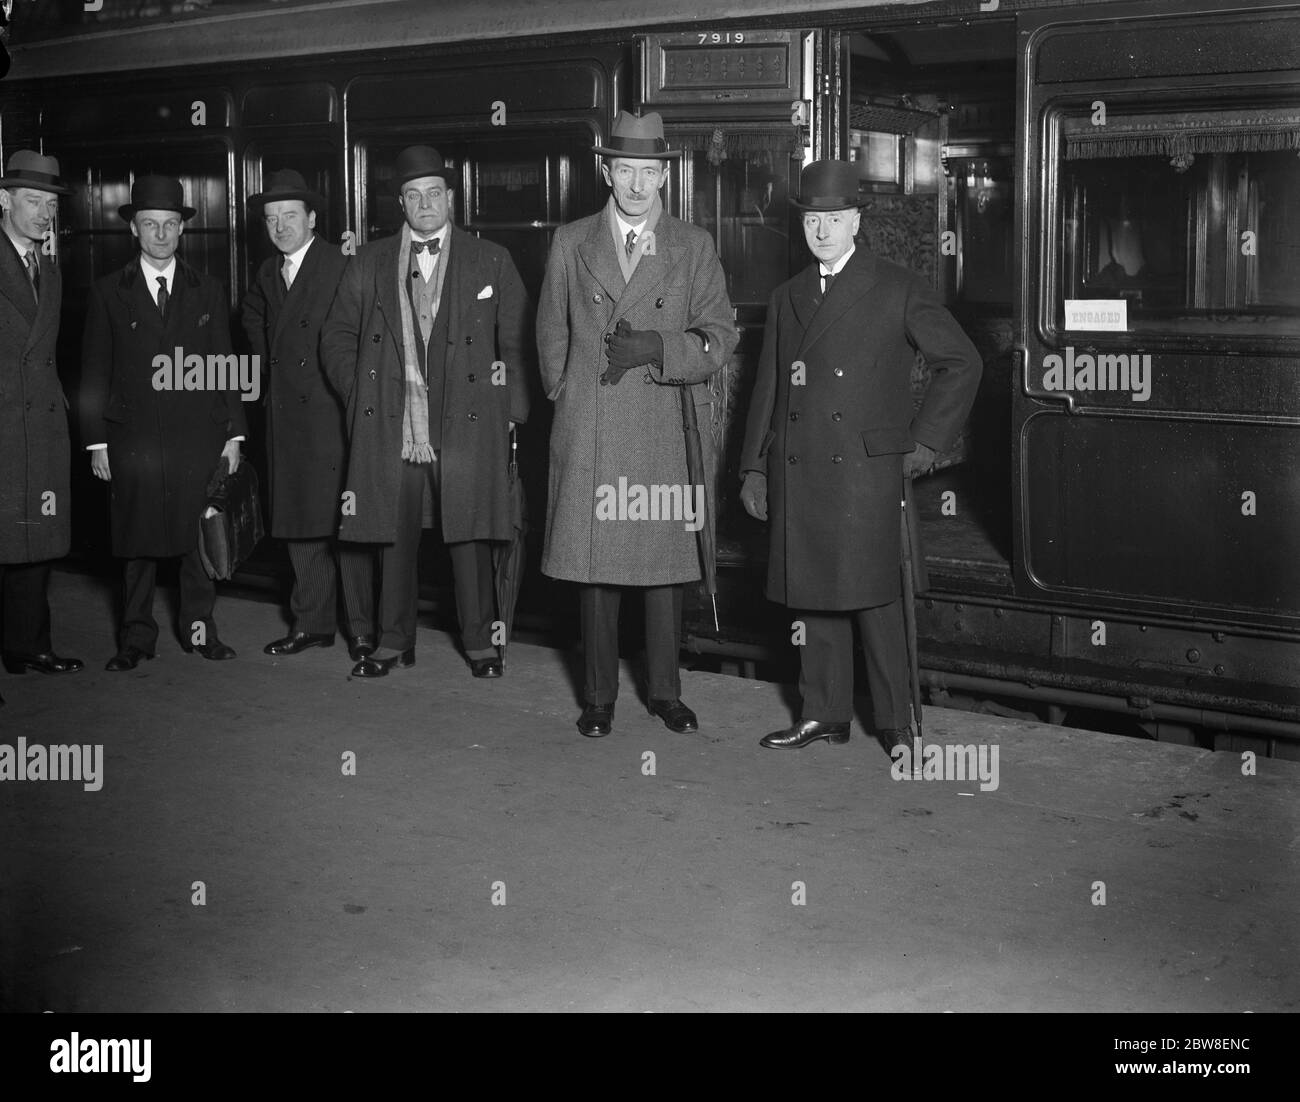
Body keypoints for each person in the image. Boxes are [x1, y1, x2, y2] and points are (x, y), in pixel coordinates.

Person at [739, 159, 982, 753]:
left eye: (835, 218)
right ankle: (823, 711)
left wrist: (923, 444)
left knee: (877, 600)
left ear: (856, 223)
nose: (822, 231)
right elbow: (768, 387)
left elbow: (962, 362)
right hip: (799, 467)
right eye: (813, 220)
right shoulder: (788, 295)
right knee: (811, 595)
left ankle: (895, 722)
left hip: (865, 471)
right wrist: (752, 466)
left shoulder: (896, 286)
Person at [537, 111, 738, 737]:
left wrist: (657, 349)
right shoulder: (571, 241)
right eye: (625, 170)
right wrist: (566, 391)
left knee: (664, 570)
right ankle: (598, 696)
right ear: (607, 171)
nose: (635, 184)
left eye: (648, 172)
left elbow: (720, 336)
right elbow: (548, 331)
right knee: (595, 572)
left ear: (663, 176)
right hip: (592, 419)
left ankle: (664, 692)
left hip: (661, 422)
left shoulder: (693, 245)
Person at [320, 145, 532, 679]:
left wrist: (509, 409)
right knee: (395, 532)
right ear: (401, 204)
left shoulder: (492, 260)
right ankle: (393, 642)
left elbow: (516, 340)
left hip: (469, 417)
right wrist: (361, 395)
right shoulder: (367, 263)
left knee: (469, 532)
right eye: (413, 196)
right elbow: (336, 338)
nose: (425, 204)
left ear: (451, 199)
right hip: (395, 422)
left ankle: (481, 643)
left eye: (433, 194)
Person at [81, 175, 248, 670]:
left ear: (181, 230)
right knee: (137, 544)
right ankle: (135, 640)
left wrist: (233, 435)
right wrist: (97, 445)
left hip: (196, 438)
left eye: (170, 225)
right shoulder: (109, 291)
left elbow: (225, 363)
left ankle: (200, 632)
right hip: (131, 440)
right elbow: (94, 372)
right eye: (150, 225)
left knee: (195, 541)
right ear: (134, 229)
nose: (160, 235)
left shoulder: (209, 290)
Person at [242, 169, 374, 662]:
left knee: (348, 527)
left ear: (312, 218)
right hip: (288, 419)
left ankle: (361, 629)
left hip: (333, 415)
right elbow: (252, 316)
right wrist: (266, 372)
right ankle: (311, 623)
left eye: (290, 216)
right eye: (272, 219)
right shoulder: (266, 272)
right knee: (300, 522)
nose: (280, 227)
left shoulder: (340, 262)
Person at [0, 150, 84, 704]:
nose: (42, 215)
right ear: (3, 200)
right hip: (3, 422)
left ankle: (30, 645)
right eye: (32, 202)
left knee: (36, 541)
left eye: (50, 205)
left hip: (41, 425)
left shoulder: (49, 268)